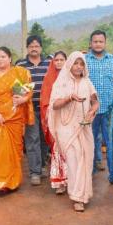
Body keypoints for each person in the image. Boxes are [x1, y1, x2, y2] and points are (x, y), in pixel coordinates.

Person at [48, 52, 99, 211]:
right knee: (73, 160)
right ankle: (77, 197)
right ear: (69, 64)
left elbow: (96, 102)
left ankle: (83, 194)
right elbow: (54, 105)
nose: (78, 66)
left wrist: (92, 111)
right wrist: (69, 98)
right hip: (66, 128)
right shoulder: (61, 83)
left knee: (86, 159)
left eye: (81, 63)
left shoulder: (87, 82)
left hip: (84, 126)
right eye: (76, 63)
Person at [0, 47, 34, 192]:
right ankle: (1, 182)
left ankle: (14, 181)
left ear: (10, 58)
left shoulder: (19, 72)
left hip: (15, 117)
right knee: (0, 152)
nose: (0, 59)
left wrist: (23, 99)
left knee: (16, 150)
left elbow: (28, 91)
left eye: (3, 56)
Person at [86, 30, 113, 187]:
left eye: (100, 41)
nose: (98, 44)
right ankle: (88, 173)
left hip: (110, 109)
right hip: (90, 110)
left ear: (105, 43)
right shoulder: (84, 60)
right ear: (90, 43)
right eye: (95, 41)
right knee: (89, 142)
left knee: (112, 143)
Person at [16, 35, 50, 185]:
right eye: (31, 46)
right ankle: (34, 172)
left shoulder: (49, 63)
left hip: (47, 109)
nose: (34, 48)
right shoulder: (20, 65)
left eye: (36, 46)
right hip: (29, 108)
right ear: (27, 48)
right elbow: (17, 88)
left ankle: (43, 166)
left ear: (41, 48)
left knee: (44, 139)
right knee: (32, 139)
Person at [40, 51, 68, 194]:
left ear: (66, 61)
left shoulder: (73, 77)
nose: (58, 62)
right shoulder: (49, 78)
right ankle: (60, 181)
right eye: (56, 60)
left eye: (61, 59)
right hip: (54, 118)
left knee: (71, 149)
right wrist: (46, 114)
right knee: (57, 149)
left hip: (70, 119)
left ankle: (72, 179)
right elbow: (45, 98)